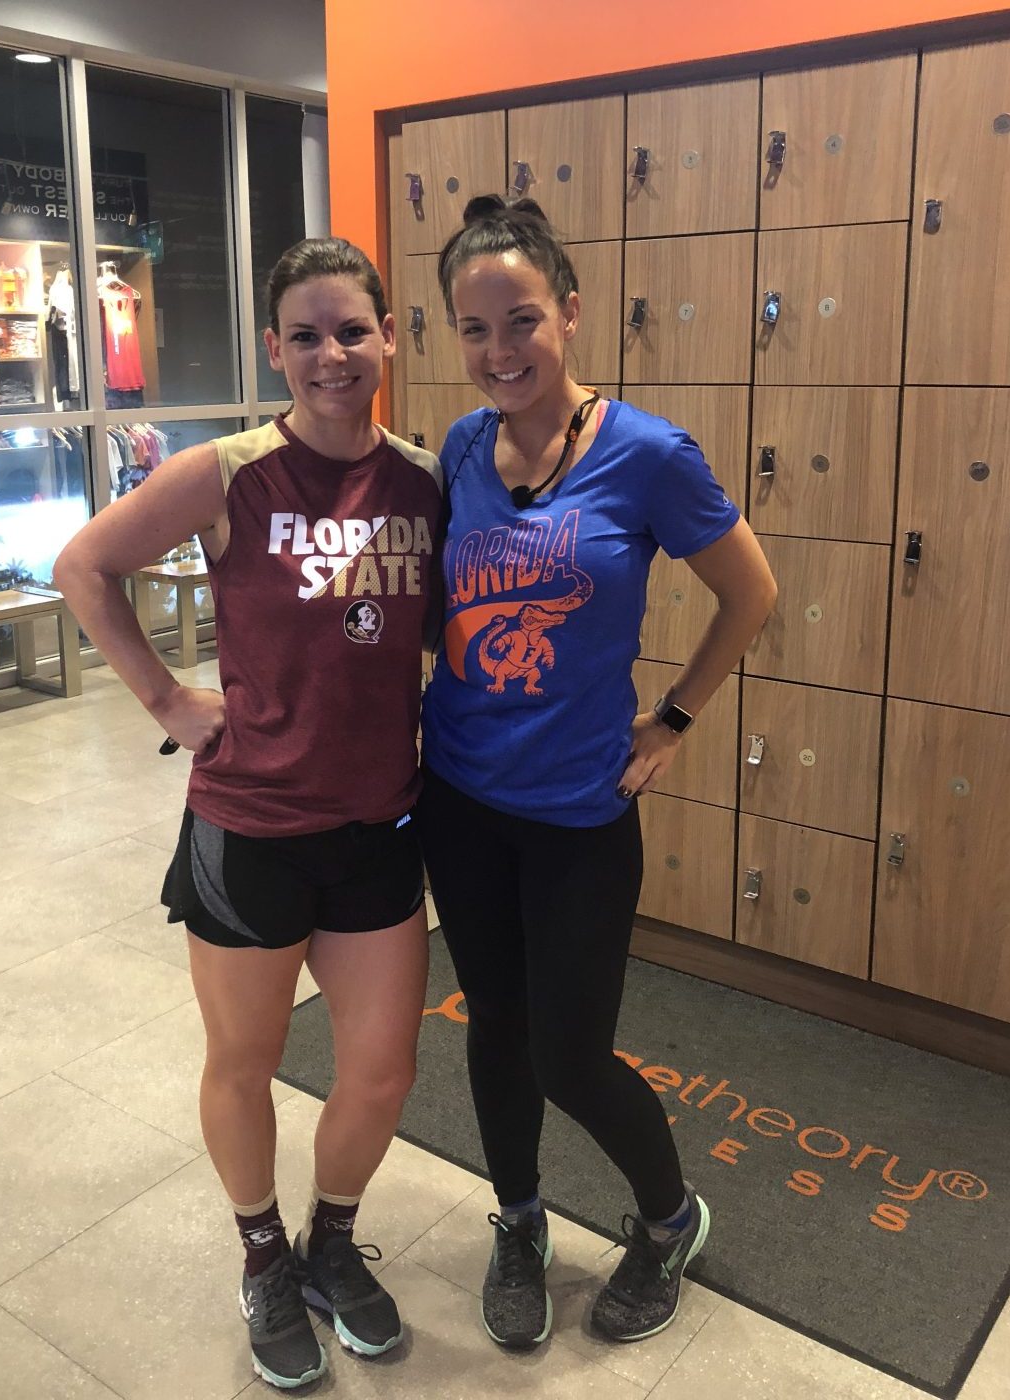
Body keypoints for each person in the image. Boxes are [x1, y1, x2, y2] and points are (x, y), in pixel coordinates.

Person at [54, 238, 443, 1391]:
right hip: (250, 824)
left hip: (379, 823)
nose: (333, 353)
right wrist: (168, 694)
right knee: (247, 1055)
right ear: (275, 348)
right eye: (307, 334)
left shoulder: (425, 480)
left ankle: (331, 1239)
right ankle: (263, 1253)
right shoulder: (228, 472)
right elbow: (85, 564)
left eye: (353, 329)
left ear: (387, 337)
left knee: (381, 1071)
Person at [417, 195, 778, 1350]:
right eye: (474, 330)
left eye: (521, 319)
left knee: (568, 1047)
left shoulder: (649, 454)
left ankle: (670, 1218)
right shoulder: (465, 447)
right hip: (462, 795)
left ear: (570, 313)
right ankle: (519, 1220)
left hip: (578, 808)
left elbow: (750, 591)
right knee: (491, 1022)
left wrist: (669, 719)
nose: (499, 351)